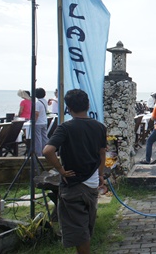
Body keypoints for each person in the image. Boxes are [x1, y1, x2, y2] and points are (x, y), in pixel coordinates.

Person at [43, 89, 106, 254]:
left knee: (79, 230)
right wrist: (100, 174)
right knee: (86, 224)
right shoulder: (99, 126)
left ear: (68, 108)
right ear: (88, 105)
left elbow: (48, 151)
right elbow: (102, 153)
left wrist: (61, 170)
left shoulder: (65, 128)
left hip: (73, 184)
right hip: (92, 182)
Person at [35, 88, 49, 156]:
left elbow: (36, 114)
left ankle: (39, 154)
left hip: (38, 122)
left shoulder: (37, 103)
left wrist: (34, 122)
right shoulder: (45, 101)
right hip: (44, 121)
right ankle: (46, 151)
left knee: (38, 139)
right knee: (44, 138)